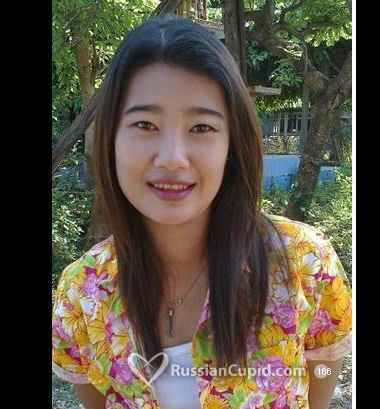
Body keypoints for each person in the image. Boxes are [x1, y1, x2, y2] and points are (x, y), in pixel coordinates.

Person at [52, 14, 352, 409]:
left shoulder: (303, 264)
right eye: (145, 124)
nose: (172, 158)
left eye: (201, 128)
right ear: (110, 139)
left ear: (232, 144)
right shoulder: (82, 293)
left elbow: (321, 380)